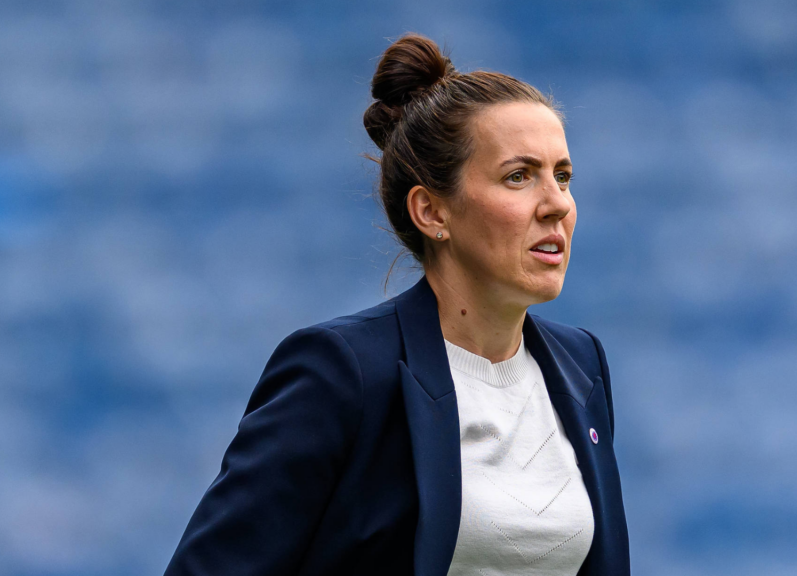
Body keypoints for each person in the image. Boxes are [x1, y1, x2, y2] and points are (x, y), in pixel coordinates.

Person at [163, 33, 629, 576]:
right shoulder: (342, 371)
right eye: (519, 176)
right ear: (432, 212)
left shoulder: (582, 365)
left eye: (563, 176)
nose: (557, 205)